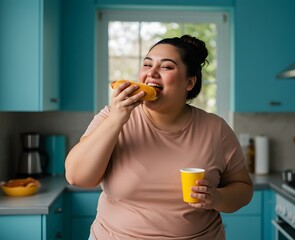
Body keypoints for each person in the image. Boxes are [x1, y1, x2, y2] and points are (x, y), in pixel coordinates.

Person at [65, 35, 253, 240]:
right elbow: (77, 177)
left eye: (166, 67)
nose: (151, 73)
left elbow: (243, 189)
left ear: (189, 82)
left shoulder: (215, 129)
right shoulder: (112, 116)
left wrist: (217, 197)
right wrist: (116, 120)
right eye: (147, 64)